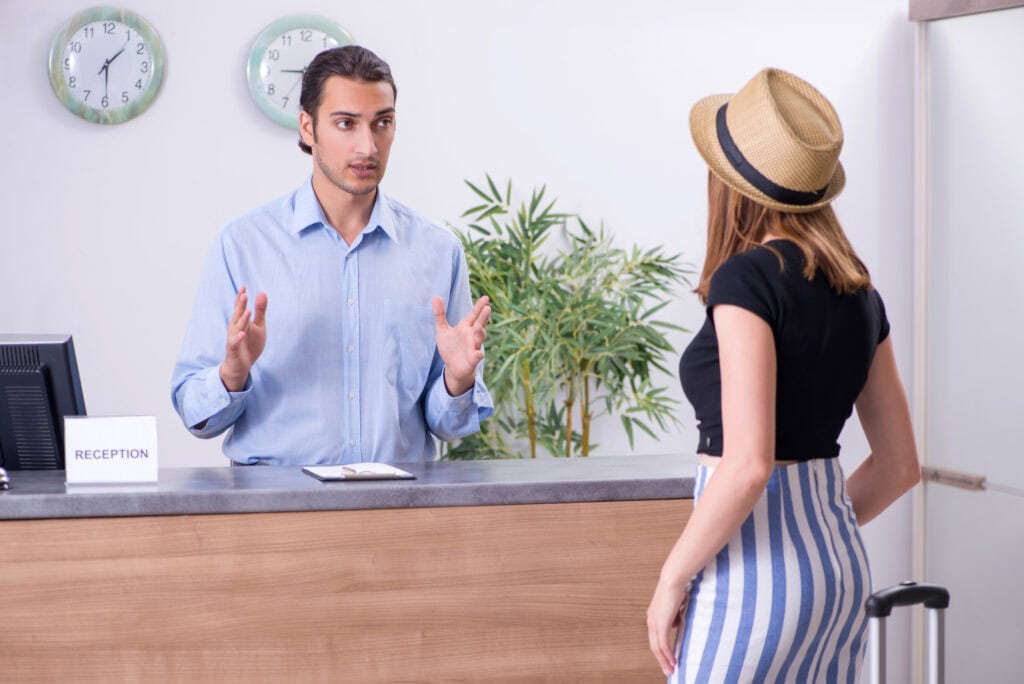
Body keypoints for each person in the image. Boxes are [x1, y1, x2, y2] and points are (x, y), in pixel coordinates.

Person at [646, 68, 920, 682]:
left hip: (751, 574)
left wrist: (672, 578)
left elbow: (747, 465)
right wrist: (813, 530)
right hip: (837, 568)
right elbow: (900, 465)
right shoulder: (859, 290)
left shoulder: (745, 280)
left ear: (729, 183)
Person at [171, 45, 493, 466]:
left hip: (397, 509)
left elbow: (448, 425)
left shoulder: (437, 251)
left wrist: (458, 378)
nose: (368, 146)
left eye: (383, 123)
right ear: (308, 127)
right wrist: (232, 372)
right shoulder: (242, 245)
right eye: (346, 123)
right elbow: (196, 414)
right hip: (274, 512)